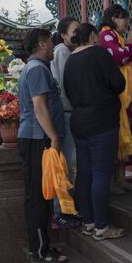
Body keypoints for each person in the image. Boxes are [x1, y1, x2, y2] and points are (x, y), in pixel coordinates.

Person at [64, 23, 126, 241]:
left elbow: (68, 91)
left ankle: (88, 222)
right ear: (91, 35)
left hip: (79, 120)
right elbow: (119, 83)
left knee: (85, 172)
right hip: (102, 120)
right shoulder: (99, 53)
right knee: (101, 173)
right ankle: (101, 226)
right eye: (97, 36)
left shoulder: (71, 59)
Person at [18, 28, 68, 263]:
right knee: (39, 194)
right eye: (50, 42)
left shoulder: (34, 67)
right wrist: (54, 138)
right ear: (42, 44)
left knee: (39, 192)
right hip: (38, 138)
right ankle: (40, 249)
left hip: (36, 137)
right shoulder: (37, 68)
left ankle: (40, 245)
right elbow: (39, 107)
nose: (52, 46)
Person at [99, 4, 132, 195]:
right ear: (113, 18)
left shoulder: (118, 38)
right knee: (117, 137)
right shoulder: (106, 35)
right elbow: (121, 57)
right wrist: (130, 46)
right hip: (117, 95)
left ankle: (122, 179)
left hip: (129, 93)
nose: (126, 22)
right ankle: (112, 182)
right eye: (123, 18)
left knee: (127, 136)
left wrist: (130, 48)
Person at [50, 16, 81, 228]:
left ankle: (68, 208)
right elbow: (64, 84)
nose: (77, 34)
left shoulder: (69, 51)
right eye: (74, 30)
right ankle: (62, 211)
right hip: (67, 112)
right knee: (67, 164)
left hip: (71, 112)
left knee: (71, 163)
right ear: (63, 34)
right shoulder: (62, 51)